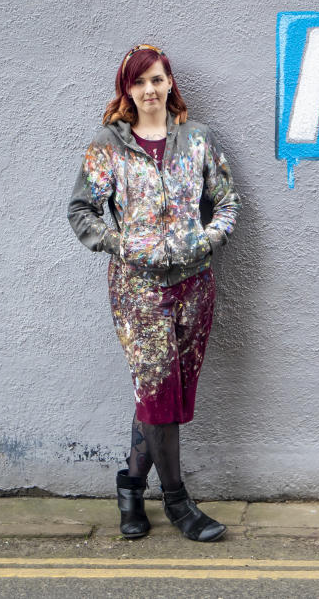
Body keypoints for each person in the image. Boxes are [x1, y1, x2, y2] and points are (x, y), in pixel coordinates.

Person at [68, 44, 240, 540]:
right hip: (137, 289)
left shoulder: (198, 140)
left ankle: (130, 490)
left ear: (170, 84)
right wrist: (122, 244)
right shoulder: (110, 145)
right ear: (127, 90)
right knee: (158, 390)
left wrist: (208, 238)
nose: (149, 90)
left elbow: (227, 201)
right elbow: (81, 211)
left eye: (157, 80)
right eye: (139, 82)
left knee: (168, 396)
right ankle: (178, 503)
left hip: (194, 285)